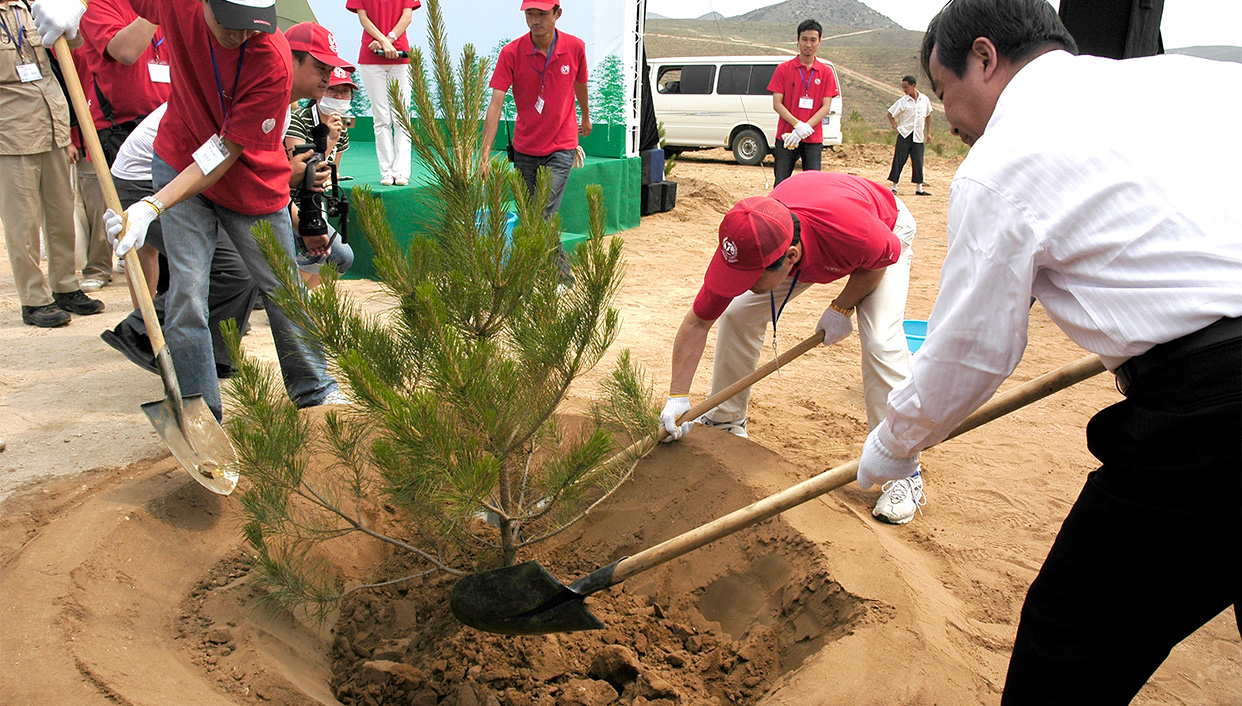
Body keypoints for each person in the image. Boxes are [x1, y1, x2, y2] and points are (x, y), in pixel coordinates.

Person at [857, 0, 1242, 701]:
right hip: (1210, 380)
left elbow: (971, 352)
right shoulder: (1194, 81)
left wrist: (895, 442)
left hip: (1211, 419)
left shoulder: (1004, 160)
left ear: (984, 57)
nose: (947, 116)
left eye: (944, 92)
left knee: (1069, 648)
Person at [94, 0, 352, 422]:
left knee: (283, 285)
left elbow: (223, 155)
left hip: (248, 180)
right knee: (188, 295)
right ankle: (200, 414)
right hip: (178, 157)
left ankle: (316, 391)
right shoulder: (178, 6)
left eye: (253, 28)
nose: (242, 37)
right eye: (232, 26)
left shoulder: (271, 60)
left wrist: (154, 205)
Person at [660, 170, 927, 524]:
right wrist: (677, 396)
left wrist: (841, 306)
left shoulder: (853, 233)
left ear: (790, 257)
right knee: (738, 315)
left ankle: (903, 472)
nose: (740, 284)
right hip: (818, 233)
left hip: (883, 231)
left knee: (880, 341)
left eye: (750, 278)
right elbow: (697, 322)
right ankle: (727, 418)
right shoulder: (750, 237)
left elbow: (879, 260)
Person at [0, 0, 104, 328]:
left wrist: (68, 16)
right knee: (24, 222)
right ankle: (34, 299)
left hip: (53, 124)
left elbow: (73, 43)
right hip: (11, 132)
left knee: (61, 213)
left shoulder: (33, 5)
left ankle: (65, 286)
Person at [480, 0, 590, 282]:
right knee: (533, 215)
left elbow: (580, 83)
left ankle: (552, 277)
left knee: (543, 210)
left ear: (557, 13)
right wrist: (483, 154)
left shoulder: (575, 47)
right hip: (525, 147)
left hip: (562, 144)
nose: (535, 19)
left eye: (542, 13)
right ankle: (553, 272)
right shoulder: (512, 52)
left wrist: (585, 117)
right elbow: (495, 102)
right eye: (530, 13)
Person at [76, 0, 171, 296]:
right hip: (122, 129)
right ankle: (145, 323)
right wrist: (159, 9)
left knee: (179, 220)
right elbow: (126, 51)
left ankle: (182, 313)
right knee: (140, 235)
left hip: (168, 123)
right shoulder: (100, 4)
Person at [285, 66, 356, 286]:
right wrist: (330, 140)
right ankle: (288, 301)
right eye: (334, 90)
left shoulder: (341, 126)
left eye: (345, 91)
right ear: (321, 91)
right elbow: (302, 173)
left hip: (316, 205)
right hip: (288, 201)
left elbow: (330, 172)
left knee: (343, 258)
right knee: (317, 252)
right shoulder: (298, 120)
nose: (339, 97)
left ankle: (297, 298)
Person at [346, 0, 419, 186]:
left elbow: (407, 16)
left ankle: (401, 171)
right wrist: (384, 42)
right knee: (381, 117)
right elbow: (364, 19)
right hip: (371, 58)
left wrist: (389, 41)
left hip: (399, 56)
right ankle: (387, 171)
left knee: (401, 116)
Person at [768, 19, 839, 186]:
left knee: (813, 186)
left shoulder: (826, 72)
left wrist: (805, 128)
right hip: (786, 137)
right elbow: (777, 103)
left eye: (813, 40)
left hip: (813, 138)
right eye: (804, 39)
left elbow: (826, 106)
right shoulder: (783, 69)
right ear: (798, 40)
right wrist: (796, 125)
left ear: (819, 41)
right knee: (781, 184)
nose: (808, 44)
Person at [886, 75, 932, 196]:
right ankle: (894, 186)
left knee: (918, 161)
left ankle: (919, 188)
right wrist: (895, 126)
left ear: (913, 86)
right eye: (903, 87)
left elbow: (929, 115)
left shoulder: (924, 100)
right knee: (899, 160)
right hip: (905, 134)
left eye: (906, 87)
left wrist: (928, 133)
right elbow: (890, 113)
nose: (904, 90)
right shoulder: (903, 101)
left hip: (918, 135)